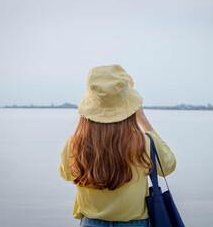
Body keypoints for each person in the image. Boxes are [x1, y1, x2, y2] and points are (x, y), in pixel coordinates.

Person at [59, 64, 176, 227]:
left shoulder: (74, 143)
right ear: (130, 107)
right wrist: (143, 119)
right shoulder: (145, 142)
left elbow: (67, 174)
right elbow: (168, 166)